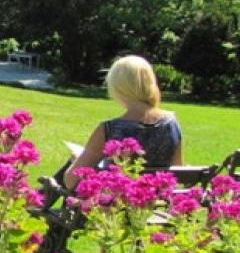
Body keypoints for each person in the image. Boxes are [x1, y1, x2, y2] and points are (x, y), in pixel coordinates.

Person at [62, 55, 183, 192]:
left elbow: (71, 181)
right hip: (155, 201)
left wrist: (76, 159)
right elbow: (178, 173)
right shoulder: (171, 123)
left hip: (117, 201)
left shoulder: (109, 129)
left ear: (118, 88)